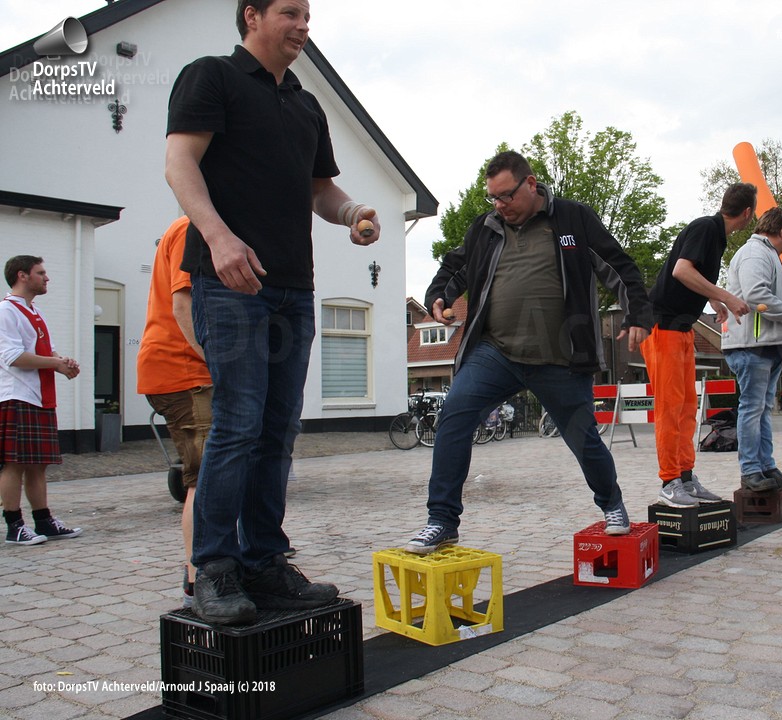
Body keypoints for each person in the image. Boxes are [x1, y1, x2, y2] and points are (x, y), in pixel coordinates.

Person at [165, 0, 380, 624]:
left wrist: (352, 215)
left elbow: (321, 190)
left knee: (279, 430)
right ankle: (213, 568)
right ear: (252, 15)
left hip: (293, 288)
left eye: (308, 14)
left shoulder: (306, 104)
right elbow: (180, 164)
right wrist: (219, 236)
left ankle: (264, 563)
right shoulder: (213, 77)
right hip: (231, 285)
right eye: (290, 12)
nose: (303, 25)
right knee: (238, 422)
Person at [403, 150, 652, 554]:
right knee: (454, 416)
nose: (499, 205)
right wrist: (438, 297)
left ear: (531, 184)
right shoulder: (485, 228)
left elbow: (620, 267)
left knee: (584, 438)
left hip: (561, 358)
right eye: (493, 198)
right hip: (495, 352)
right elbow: (453, 269)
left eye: (506, 196)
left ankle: (612, 504)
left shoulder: (574, 218)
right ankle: (442, 520)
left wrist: (637, 313)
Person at [641, 183, 755, 508]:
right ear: (747, 213)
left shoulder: (715, 236)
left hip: (682, 329)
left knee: (688, 406)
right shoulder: (706, 227)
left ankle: (686, 477)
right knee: (670, 407)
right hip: (661, 326)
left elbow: (691, 276)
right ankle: (669, 482)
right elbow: (681, 270)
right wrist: (726, 297)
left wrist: (711, 300)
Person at [137, 216, 213, 607]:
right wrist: (218, 362)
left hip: (184, 370)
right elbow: (183, 303)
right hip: (186, 372)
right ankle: (197, 581)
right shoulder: (191, 227)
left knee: (212, 474)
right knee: (206, 478)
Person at [722, 208, 782, 492]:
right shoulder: (756, 254)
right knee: (753, 408)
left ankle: (764, 466)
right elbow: (757, 296)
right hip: (753, 344)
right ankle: (751, 470)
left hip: (763, 343)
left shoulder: (763, 254)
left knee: (761, 409)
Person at [0, 256, 83, 546]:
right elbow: (12, 357)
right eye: (41, 273)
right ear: (22, 275)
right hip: (17, 395)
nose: (46, 278)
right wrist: (55, 363)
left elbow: (43, 351)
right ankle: (14, 525)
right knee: (13, 463)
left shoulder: (34, 312)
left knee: (38, 464)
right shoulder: (6, 311)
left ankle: (44, 521)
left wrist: (62, 361)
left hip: (39, 397)